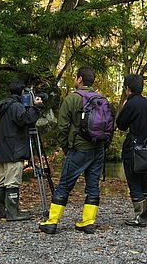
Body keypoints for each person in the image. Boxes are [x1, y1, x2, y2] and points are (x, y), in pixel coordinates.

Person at [39, 66, 109, 234]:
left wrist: (66, 146)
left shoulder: (71, 99)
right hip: (98, 148)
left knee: (64, 185)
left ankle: (52, 222)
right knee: (93, 186)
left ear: (79, 79)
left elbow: (62, 127)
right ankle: (88, 222)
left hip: (78, 148)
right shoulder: (101, 99)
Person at [115, 74, 147, 227]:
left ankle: (140, 217)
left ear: (127, 88)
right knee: (143, 181)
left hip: (134, 148)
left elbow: (121, 124)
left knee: (134, 182)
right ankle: (145, 215)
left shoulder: (131, 103)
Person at [0, 81, 43, 221]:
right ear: (22, 93)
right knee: (12, 181)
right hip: (14, 150)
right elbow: (26, 120)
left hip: (2, 150)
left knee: (2, 180)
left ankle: (0, 211)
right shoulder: (16, 106)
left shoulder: (4, 105)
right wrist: (37, 108)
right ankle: (12, 213)